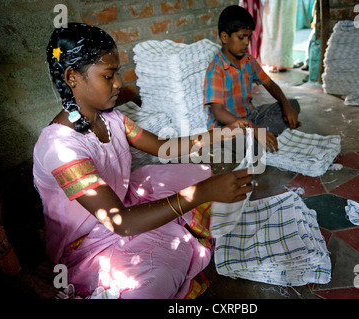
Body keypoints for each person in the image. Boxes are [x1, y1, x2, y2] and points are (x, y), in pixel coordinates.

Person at [33, 23, 254, 299]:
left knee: (193, 177)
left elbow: (163, 148)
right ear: (73, 77)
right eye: (108, 75)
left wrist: (222, 133)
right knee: (155, 280)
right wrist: (202, 194)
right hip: (87, 245)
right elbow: (120, 222)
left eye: (116, 74)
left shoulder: (110, 118)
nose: (118, 84)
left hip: (122, 206)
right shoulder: (60, 148)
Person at [204, 5, 301, 154]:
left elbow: (270, 85)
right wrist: (253, 128)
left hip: (252, 117)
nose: (246, 42)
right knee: (253, 148)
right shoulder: (216, 70)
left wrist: (286, 106)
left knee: (293, 104)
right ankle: (264, 134)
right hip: (228, 128)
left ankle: (262, 133)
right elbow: (218, 112)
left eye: (248, 37)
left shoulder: (248, 61)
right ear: (225, 37)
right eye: (241, 37)